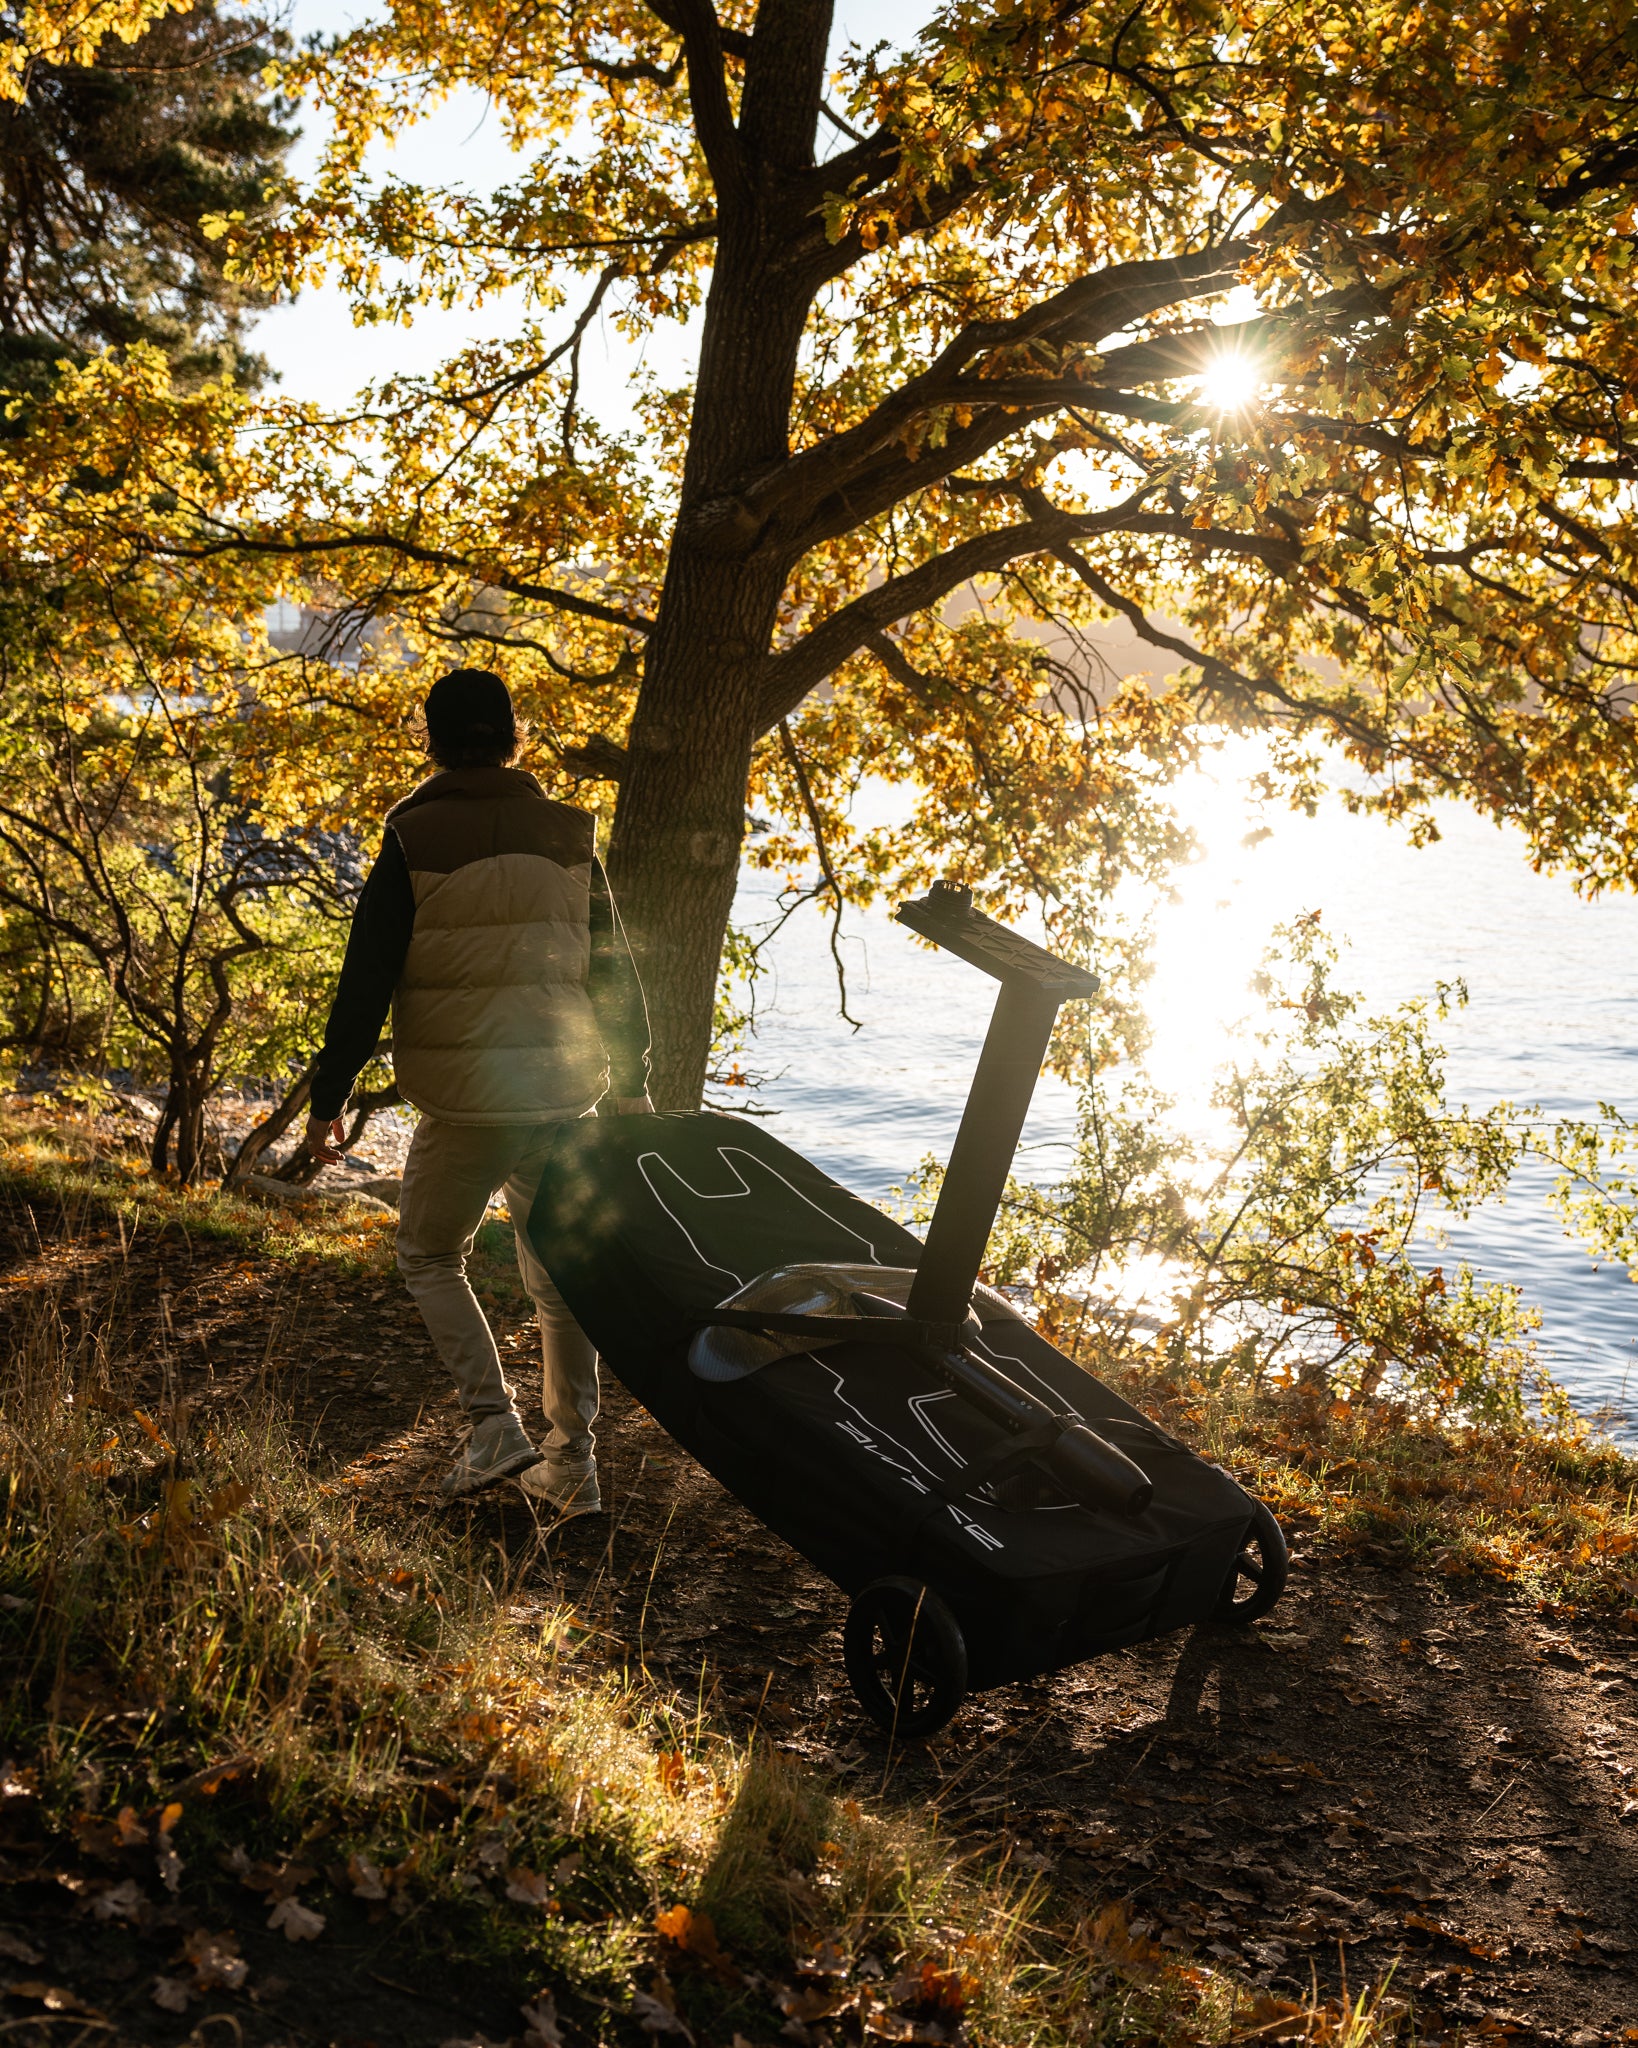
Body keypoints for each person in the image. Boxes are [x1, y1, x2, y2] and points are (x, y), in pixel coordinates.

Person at [303, 667, 652, 1514]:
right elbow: (615, 970)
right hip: (565, 1094)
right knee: (561, 1281)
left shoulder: (412, 839)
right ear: (512, 738)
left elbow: (365, 982)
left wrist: (328, 1102)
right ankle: (575, 1466)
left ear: (433, 739)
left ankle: (494, 1424)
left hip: (465, 1103)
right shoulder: (571, 833)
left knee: (428, 1254)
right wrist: (633, 1084)